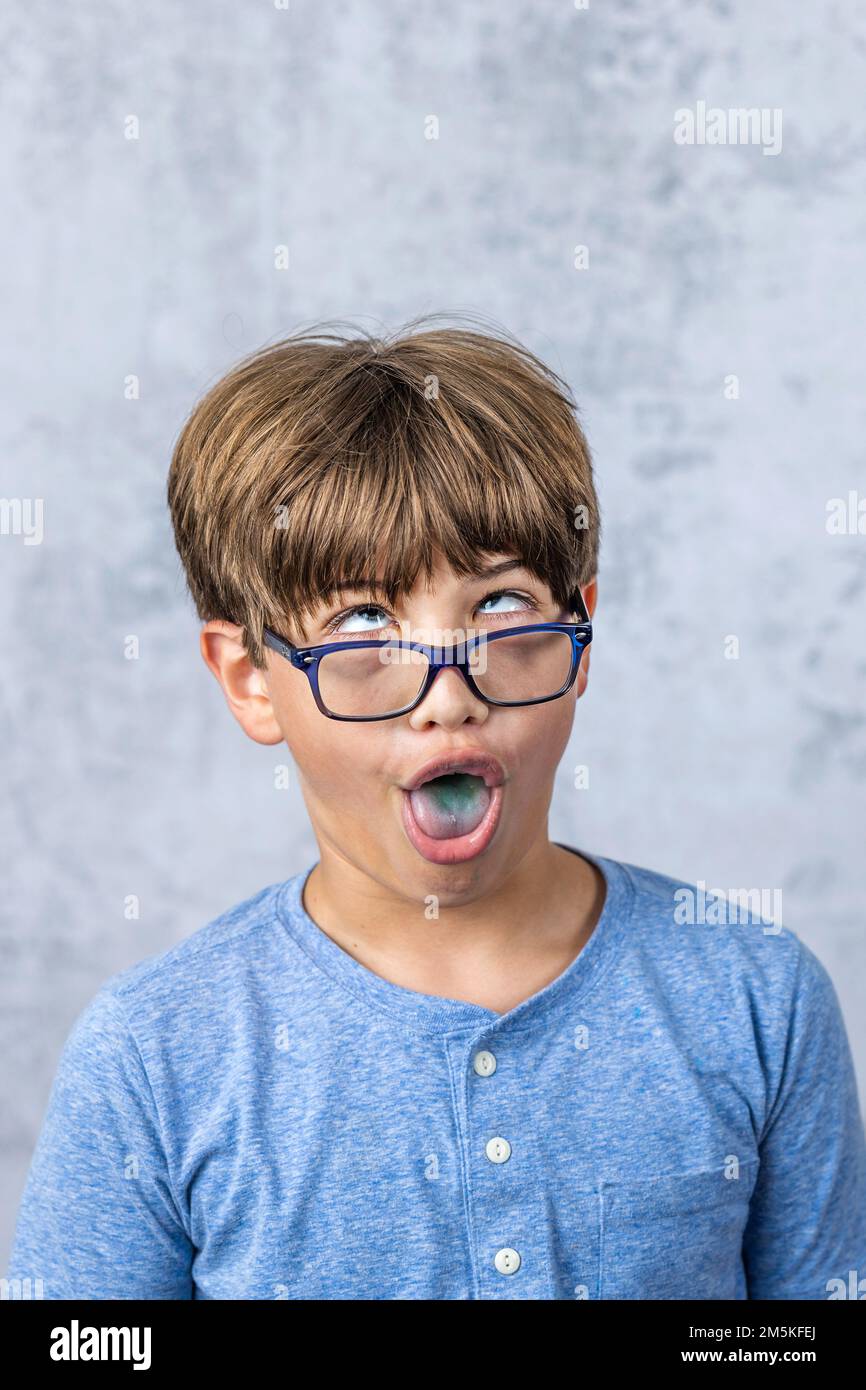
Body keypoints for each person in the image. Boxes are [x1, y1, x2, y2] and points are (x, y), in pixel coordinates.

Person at [7, 316, 866, 1299]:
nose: (447, 692)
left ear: (578, 633)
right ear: (250, 678)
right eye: (363, 622)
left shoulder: (756, 1000)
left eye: (499, 610)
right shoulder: (153, 1056)